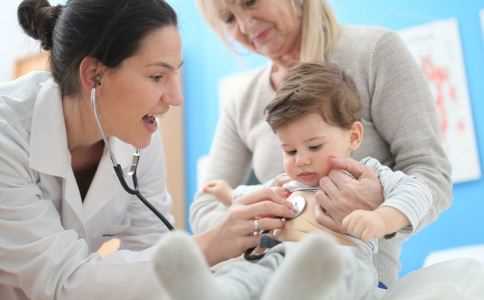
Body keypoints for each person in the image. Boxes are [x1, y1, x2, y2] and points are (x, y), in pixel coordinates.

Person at [0, 1, 296, 299]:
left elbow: (151, 251)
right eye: (157, 76)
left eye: (176, 74)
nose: (176, 97)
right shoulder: (7, 133)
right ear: (93, 75)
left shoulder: (135, 133)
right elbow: (63, 281)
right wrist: (210, 244)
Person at [191, 0, 452, 289]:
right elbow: (206, 203)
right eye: (228, 18)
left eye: (250, 2)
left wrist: (381, 210)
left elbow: (431, 174)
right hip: (275, 268)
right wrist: (257, 219)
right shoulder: (242, 101)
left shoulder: (374, 52)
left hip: (354, 276)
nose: (243, 26)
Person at [155, 62, 433, 300]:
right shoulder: (285, 182)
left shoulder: (367, 174)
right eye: (289, 151)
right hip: (281, 258)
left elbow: (418, 191)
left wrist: (382, 218)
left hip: (341, 261)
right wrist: (230, 195)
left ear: (354, 136)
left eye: (314, 147)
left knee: (345, 273)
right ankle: (208, 292)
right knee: (244, 271)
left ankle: (297, 291)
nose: (301, 160)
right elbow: (254, 197)